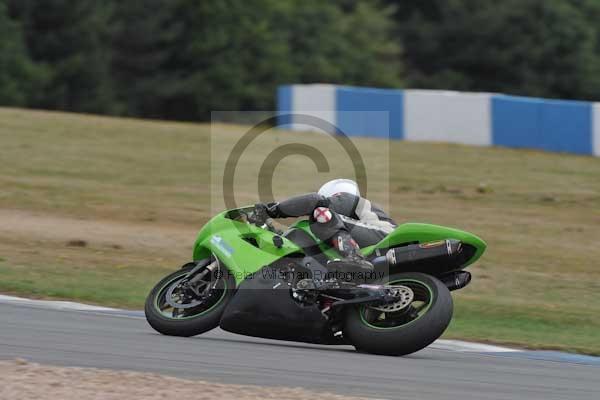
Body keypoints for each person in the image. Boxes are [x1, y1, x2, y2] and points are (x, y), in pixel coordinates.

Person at [254, 179, 396, 272]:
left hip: (384, 234)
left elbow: (314, 201)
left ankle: (354, 258)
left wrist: (271, 211)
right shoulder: (342, 225)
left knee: (320, 213)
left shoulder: (348, 199)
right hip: (378, 247)